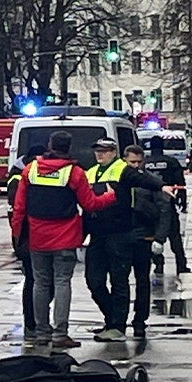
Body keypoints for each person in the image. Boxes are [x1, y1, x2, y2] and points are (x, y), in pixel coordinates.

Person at [9, 131, 120, 353]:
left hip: (37, 237)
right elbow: (89, 204)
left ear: (50, 145)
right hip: (65, 237)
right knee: (62, 283)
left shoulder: (31, 170)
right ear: (69, 148)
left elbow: (19, 207)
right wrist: (110, 196)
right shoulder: (74, 173)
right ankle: (61, 334)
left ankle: (41, 333)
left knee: (40, 283)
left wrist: (17, 234)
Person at [84, 138, 173, 343]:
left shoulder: (122, 169)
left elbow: (144, 180)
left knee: (120, 281)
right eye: (97, 150)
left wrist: (161, 187)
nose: (100, 154)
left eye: (104, 151)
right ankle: (112, 318)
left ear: (113, 152)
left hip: (120, 233)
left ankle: (120, 325)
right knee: (94, 281)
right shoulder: (91, 172)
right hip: (98, 234)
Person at [123, 145, 173, 339]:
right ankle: (117, 320)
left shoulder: (150, 182)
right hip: (124, 236)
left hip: (145, 236)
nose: (135, 166)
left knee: (142, 281)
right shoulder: (121, 178)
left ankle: (139, 321)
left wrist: (160, 238)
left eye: (138, 162)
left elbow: (163, 210)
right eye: (131, 162)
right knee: (120, 282)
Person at [7, 144, 47, 348]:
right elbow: (17, 210)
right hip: (27, 238)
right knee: (34, 280)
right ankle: (32, 323)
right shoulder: (18, 178)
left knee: (40, 281)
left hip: (38, 236)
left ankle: (38, 321)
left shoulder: (24, 174)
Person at [143, 136, 191, 274]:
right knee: (174, 236)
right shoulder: (171, 162)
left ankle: (158, 264)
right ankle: (181, 265)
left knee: (154, 235)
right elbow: (180, 182)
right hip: (167, 202)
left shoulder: (145, 163)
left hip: (149, 205)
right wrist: (182, 198)